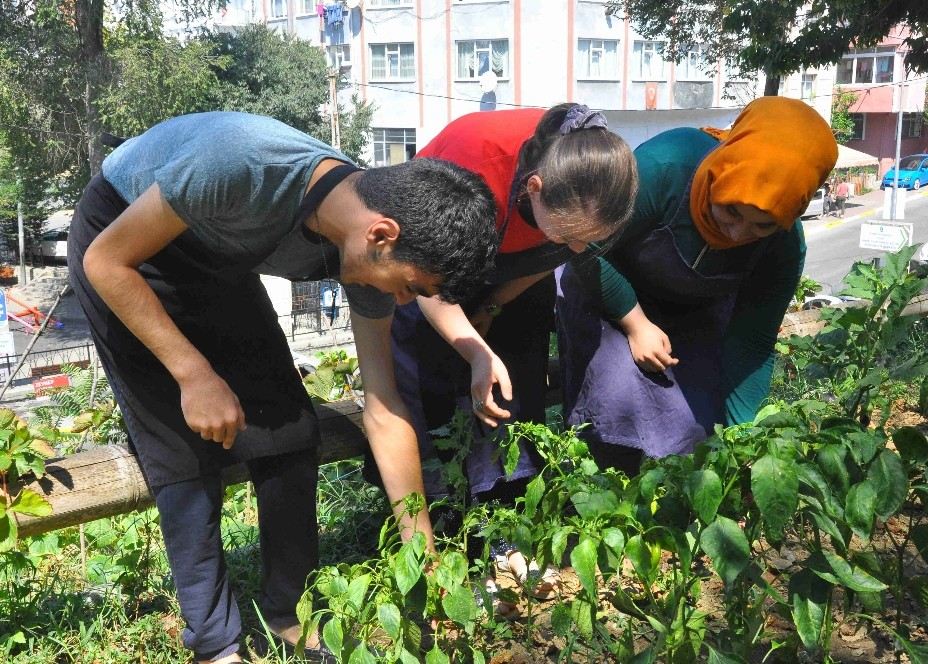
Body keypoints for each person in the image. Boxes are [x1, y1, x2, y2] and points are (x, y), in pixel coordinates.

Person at [67, 111, 497, 664]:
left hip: (216, 255)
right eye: (412, 287)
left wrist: (425, 558)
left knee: (291, 428)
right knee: (181, 447)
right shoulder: (242, 165)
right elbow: (106, 261)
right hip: (123, 241)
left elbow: (384, 408)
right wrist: (193, 375)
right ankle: (216, 645)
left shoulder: (364, 249)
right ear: (381, 236)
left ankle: (290, 616)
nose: (404, 303)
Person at [389, 104, 637, 604]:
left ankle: (502, 528)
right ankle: (441, 536)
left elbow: (556, 253)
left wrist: (496, 305)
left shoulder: (600, 186)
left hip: (513, 276)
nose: (575, 245)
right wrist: (476, 349)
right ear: (535, 188)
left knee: (512, 399)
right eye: (568, 232)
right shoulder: (475, 161)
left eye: (587, 240)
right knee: (434, 393)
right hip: (429, 264)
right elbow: (419, 277)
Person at [556, 97, 837, 475]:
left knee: (698, 424)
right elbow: (584, 246)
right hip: (605, 290)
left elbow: (751, 342)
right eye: (731, 210)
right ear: (721, 172)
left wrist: (743, 443)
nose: (737, 233)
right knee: (614, 398)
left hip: (693, 313)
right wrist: (636, 324)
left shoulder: (784, 246)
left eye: (762, 225)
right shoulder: (665, 167)